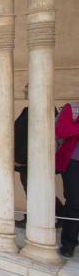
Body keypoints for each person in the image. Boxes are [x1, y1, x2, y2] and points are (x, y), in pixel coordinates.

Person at [14, 83, 63, 228]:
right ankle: (62, 216)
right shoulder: (30, 110)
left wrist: (21, 159)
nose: (25, 91)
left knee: (34, 188)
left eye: (27, 89)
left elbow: (37, 138)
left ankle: (39, 218)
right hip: (27, 158)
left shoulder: (43, 110)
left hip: (32, 159)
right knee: (34, 187)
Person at [57, 102, 79, 257]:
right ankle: (69, 243)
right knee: (74, 203)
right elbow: (61, 131)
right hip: (73, 163)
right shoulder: (72, 108)